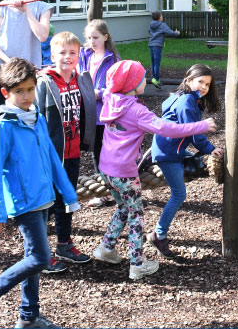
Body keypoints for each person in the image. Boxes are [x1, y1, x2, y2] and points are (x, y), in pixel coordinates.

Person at [0, 58, 79, 329]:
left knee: (33, 258)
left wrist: (67, 192)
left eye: (30, 89)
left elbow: (53, 159)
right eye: (19, 91)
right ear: (6, 93)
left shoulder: (37, 117)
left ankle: (29, 316)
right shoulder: (4, 125)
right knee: (40, 259)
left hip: (44, 197)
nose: (26, 96)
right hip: (24, 202)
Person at [91, 60, 217, 280]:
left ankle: (106, 248)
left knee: (124, 207)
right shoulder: (136, 110)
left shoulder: (113, 98)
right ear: (132, 83)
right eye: (141, 78)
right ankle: (137, 264)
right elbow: (164, 127)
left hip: (106, 169)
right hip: (124, 173)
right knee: (137, 215)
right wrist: (202, 125)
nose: (145, 80)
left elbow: (102, 92)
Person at [34, 32, 96, 269]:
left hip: (73, 152)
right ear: (52, 55)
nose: (68, 57)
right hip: (51, 155)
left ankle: (64, 244)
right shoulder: (45, 83)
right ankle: (39, 252)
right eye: (62, 53)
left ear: (79, 55)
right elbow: (36, 118)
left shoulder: (80, 80)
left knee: (67, 201)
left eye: (72, 53)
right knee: (46, 204)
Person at [147, 64, 223, 256]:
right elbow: (195, 133)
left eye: (207, 84)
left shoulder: (179, 95)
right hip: (168, 153)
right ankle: (159, 234)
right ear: (189, 80)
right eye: (200, 82)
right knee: (179, 194)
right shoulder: (187, 101)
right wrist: (212, 149)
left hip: (170, 148)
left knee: (197, 160)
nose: (204, 87)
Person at [78, 19, 120, 208]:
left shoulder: (113, 60)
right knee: (95, 152)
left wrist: (99, 93)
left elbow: (117, 88)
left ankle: (115, 189)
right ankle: (103, 191)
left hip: (105, 114)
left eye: (95, 37)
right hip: (88, 112)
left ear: (105, 36)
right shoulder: (84, 55)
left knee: (108, 152)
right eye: (89, 38)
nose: (92, 41)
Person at [148, 11, 180, 87]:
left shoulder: (151, 24)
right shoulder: (162, 25)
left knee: (153, 62)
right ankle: (156, 79)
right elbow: (170, 33)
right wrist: (177, 33)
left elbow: (149, 31)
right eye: (161, 16)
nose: (162, 17)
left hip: (151, 44)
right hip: (157, 45)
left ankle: (154, 78)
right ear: (159, 17)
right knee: (157, 63)